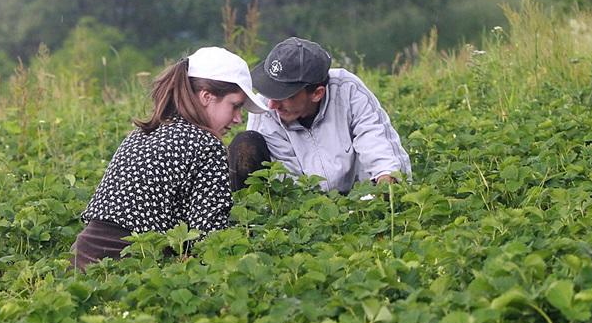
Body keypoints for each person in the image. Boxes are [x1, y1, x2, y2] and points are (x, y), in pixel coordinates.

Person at [73, 46, 268, 271]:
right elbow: (209, 238)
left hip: (82, 258)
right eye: (235, 106)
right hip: (127, 263)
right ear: (206, 97)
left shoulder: (144, 133)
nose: (237, 119)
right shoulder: (207, 144)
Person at [229, 37, 411, 193]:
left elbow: (374, 138)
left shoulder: (347, 91)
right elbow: (283, 172)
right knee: (245, 144)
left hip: (360, 198)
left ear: (317, 93)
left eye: (285, 96)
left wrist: (386, 181)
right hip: (303, 207)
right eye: (271, 92)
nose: (272, 104)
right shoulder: (266, 108)